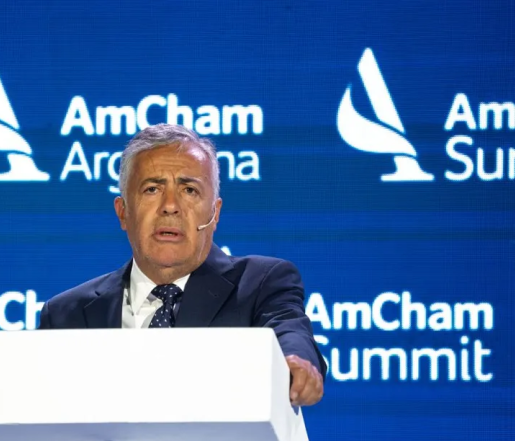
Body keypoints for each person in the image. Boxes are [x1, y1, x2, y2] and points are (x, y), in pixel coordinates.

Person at [40, 123, 326, 406]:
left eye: (189, 190)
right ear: (123, 212)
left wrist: (294, 361)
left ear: (215, 213)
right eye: (152, 189)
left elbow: (289, 330)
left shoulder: (261, 284)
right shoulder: (66, 315)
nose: (170, 206)